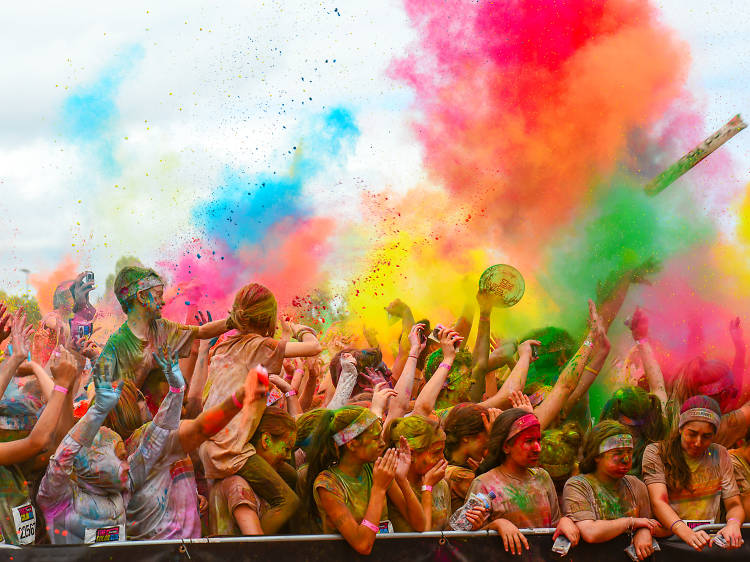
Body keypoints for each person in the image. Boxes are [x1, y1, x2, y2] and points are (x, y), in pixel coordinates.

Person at [199, 282, 321, 534]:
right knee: (288, 501)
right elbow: (314, 347)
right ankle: (259, 547)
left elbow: (204, 330)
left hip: (211, 443)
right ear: (267, 318)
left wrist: (234, 320)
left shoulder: (224, 345)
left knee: (292, 477)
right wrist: (301, 329)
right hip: (230, 449)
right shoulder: (257, 346)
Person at [37, 348, 186, 543]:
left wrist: (176, 391)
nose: (128, 463)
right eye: (121, 457)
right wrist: (97, 412)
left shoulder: (124, 487)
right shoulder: (59, 497)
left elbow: (158, 435)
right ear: (90, 460)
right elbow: (62, 458)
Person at [94, 265, 231, 415]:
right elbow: (105, 400)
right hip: (130, 424)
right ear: (141, 297)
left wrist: (235, 319)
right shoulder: (117, 343)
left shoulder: (161, 328)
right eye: (158, 295)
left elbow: (202, 331)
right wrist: (145, 367)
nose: (163, 302)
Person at [304, 406, 425, 554]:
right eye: (375, 438)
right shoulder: (328, 484)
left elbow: (419, 524)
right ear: (352, 444)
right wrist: (379, 489)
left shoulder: (375, 469)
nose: (382, 443)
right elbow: (362, 545)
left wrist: (401, 479)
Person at [465, 409, 579, 556]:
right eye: (529, 441)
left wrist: (565, 522)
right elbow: (465, 539)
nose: (538, 449)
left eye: (538, 440)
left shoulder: (542, 477)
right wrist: (497, 525)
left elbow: (555, 524)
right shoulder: (484, 484)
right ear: (506, 446)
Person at [642, 395, 744, 551]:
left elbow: (734, 504)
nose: (698, 442)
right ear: (681, 428)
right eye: (692, 434)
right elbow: (658, 502)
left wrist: (734, 524)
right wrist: (687, 532)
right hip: (670, 540)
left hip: (709, 541)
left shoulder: (720, 454)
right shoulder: (656, 452)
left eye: (706, 436)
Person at [563, 421, 660, 560]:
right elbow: (590, 532)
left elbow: (647, 522)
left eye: (629, 452)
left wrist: (644, 531)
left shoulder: (635, 485)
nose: (626, 459)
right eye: (618, 453)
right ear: (596, 455)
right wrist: (632, 522)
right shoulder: (578, 486)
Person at [208, 406, 297, 536]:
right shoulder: (237, 485)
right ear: (265, 440)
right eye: (286, 449)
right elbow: (255, 544)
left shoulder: (259, 485)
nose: (288, 457)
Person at [387, 416, 450, 531]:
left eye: (443, 451)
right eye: (436, 452)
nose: (443, 459)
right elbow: (423, 533)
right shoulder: (393, 484)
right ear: (411, 454)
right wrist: (427, 488)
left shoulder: (441, 485)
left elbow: (444, 534)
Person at [599, 386, 666, 477]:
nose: (632, 434)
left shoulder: (656, 429)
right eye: (628, 427)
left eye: (637, 429)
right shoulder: (605, 434)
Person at [442, 403, 490, 513]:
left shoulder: (450, 467)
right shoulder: (460, 476)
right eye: (486, 434)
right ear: (466, 438)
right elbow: (499, 497)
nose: (489, 441)